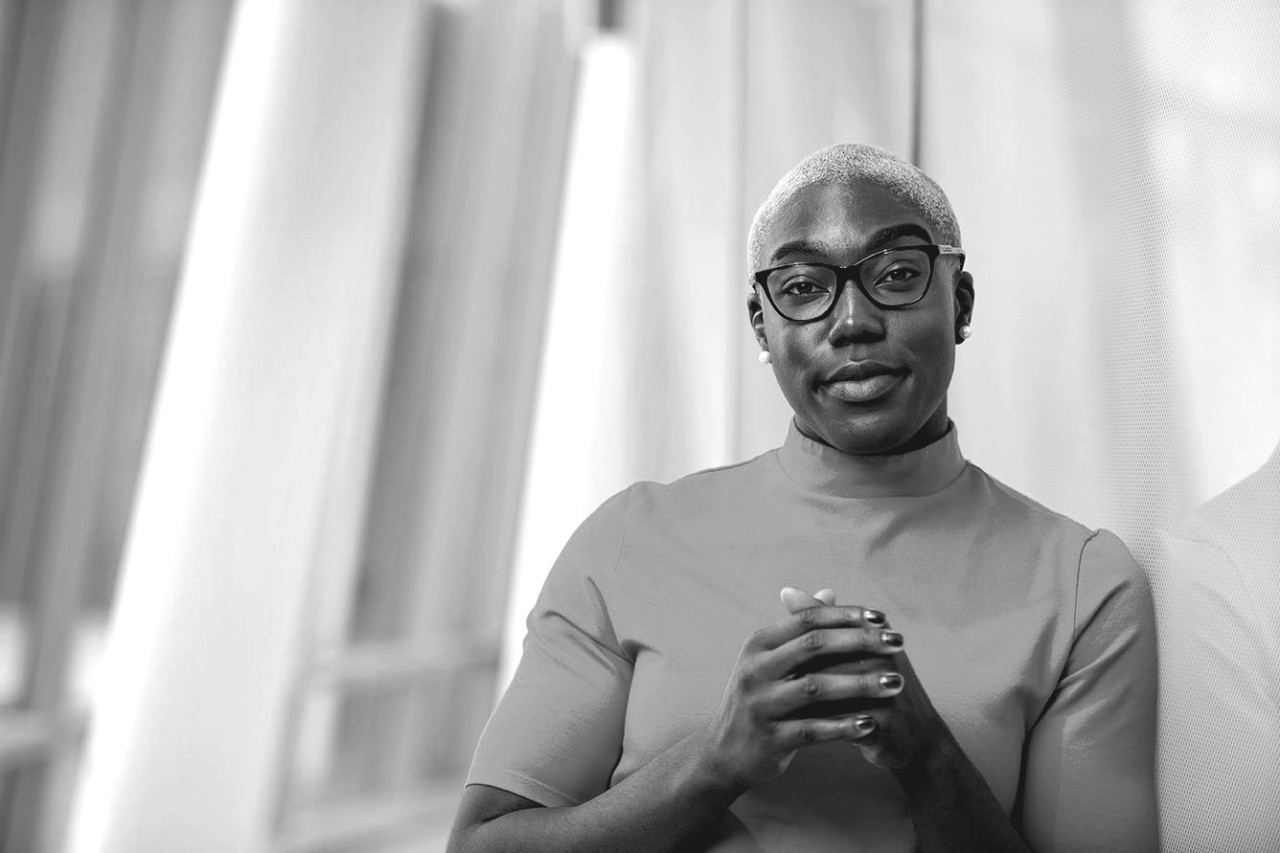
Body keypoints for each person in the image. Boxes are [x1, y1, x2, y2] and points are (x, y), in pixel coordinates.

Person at [447, 143, 1159, 852]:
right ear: (763, 326)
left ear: (960, 304)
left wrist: (928, 756)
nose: (852, 321)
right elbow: (483, 843)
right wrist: (714, 762)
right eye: (802, 288)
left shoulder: (1083, 585)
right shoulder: (629, 539)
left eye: (899, 274)